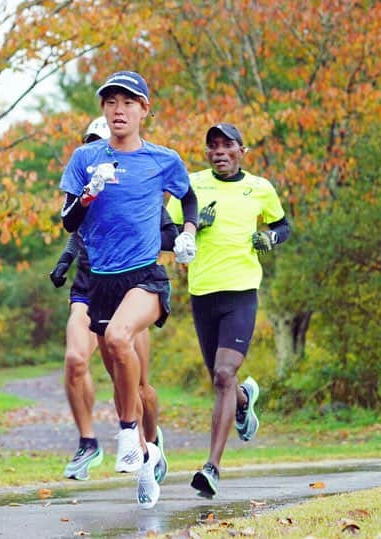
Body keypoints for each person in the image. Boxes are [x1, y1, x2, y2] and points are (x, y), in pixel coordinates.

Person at [59, 72, 199, 509]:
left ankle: (127, 436)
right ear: (103, 110)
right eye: (111, 103)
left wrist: (189, 230)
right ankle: (147, 453)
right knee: (118, 364)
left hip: (145, 276)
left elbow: (188, 197)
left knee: (121, 340)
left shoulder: (162, 159)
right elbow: (67, 221)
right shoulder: (85, 158)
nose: (118, 110)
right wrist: (85, 196)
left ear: (144, 110)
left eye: (128, 102)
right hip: (99, 279)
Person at [166, 122, 290, 498]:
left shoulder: (260, 188)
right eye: (213, 146)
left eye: (227, 145)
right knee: (221, 381)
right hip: (203, 292)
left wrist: (269, 237)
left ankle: (212, 468)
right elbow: (166, 230)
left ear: (242, 150)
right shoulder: (191, 186)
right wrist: (192, 227)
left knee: (224, 374)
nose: (219, 152)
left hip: (241, 292)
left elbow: (283, 225)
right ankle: (244, 400)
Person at [51, 116, 175, 484]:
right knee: (81, 361)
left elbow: (165, 233)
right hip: (91, 287)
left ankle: (151, 443)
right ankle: (97, 443)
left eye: (100, 143)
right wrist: (63, 263)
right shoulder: (86, 184)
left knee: (138, 388)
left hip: (132, 288)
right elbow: (75, 230)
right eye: (89, 143)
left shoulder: (139, 191)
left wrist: (174, 235)